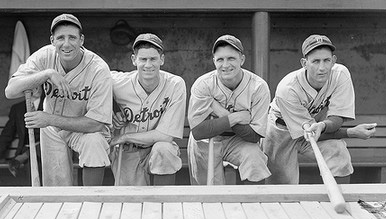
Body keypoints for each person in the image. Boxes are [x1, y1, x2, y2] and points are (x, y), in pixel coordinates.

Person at [4, 14, 113, 186]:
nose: (66, 43)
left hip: (83, 128)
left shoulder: (98, 69)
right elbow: (10, 91)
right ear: (52, 40)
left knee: (94, 143)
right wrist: (47, 74)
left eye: (72, 37)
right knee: (57, 188)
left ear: (81, 40)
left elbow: (97, 123)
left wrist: (49, 119)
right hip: (52, 130)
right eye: (60, 38)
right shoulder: (45, 56)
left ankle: (92, 201)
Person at [262, 34, 377, 184]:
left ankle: (340, 203)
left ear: (333, 60)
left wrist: (323, 125)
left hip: (314, 127)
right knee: (284, 188)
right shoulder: (287, 88)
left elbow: (335, 119)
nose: (322, 68)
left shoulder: (340, 75)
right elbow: (309, 133)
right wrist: (351, 132)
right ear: (304, 63)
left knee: (338, 153)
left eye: (326, 60)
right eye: (315, 61)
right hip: (280, 130)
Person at [187, 34, 271, 185]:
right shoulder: (203, 84)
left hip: (239, 140)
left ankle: (255, 205)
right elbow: (198, 131)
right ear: (214, 61)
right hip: (207, 140)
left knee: (255, 159)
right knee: (210, 191)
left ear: (242, 59)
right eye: (220, 59)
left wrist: (220, 112)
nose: (225, 65)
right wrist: (235, 117)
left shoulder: (258, 87)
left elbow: (254, 136)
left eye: (231, 58)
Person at [109, 33, 186, 186]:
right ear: (134, 60)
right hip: (129, 151)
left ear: (162, 59)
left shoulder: (175, 84)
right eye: (143, 59)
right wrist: (111, 111)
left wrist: (125, 137)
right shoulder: (117, 82)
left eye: (153, 59)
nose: (148, 65)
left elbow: (165, 136)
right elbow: (93, 83)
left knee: (164, 150)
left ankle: (165, 204)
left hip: (155, 146)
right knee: (132, 205)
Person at [0, 87, 44, 178]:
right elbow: (7, 135)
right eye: (32, 85)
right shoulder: (18, 108)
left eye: (39, 85)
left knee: (36, 162)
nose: (36, 88)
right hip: (24, 151)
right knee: (29, 163)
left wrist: (24, 156)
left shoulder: (49, 105)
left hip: (45, 149)